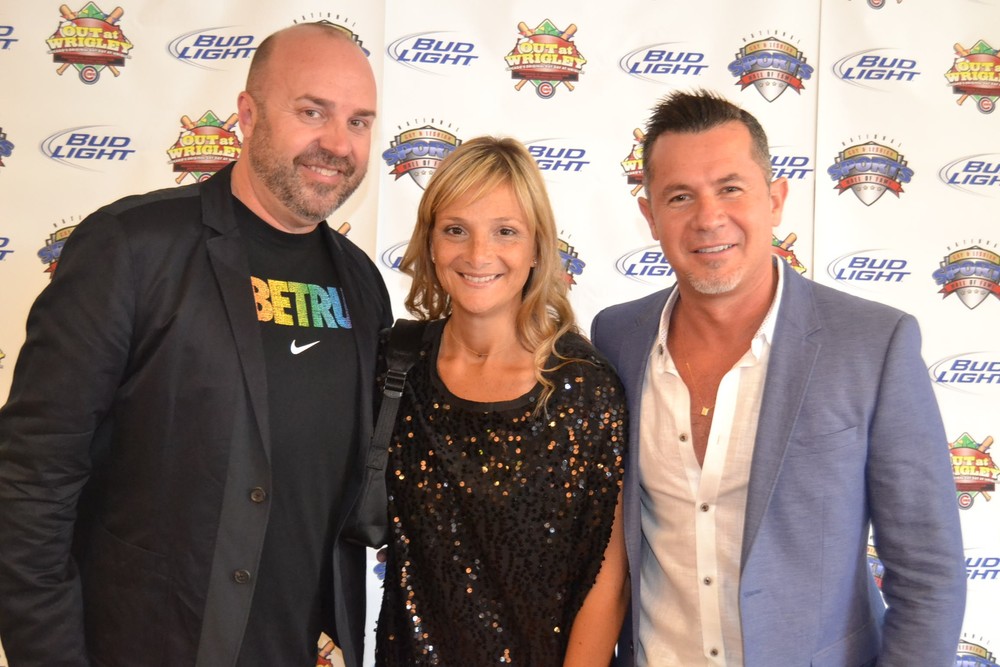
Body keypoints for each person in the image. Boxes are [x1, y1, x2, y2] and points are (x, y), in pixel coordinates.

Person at [0, 22, 391, 667]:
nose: (337, 143)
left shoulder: (362, 284)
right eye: (311, 111)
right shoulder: (131, 248)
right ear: (247, 115)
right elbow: (30, 483)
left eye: (358, 121)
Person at [591, 90, 966, 666]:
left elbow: (928, 573)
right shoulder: (617, 338)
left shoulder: (873, 344)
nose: (708, 217)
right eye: (680, 196)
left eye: (730, 189)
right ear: (651, 217)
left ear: (775, 199)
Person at [374, 136, 629, 666]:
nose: (477, 254)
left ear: (537, 248)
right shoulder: (395, 366)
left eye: (505, 231)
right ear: (430, 242)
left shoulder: (585, 388)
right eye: (455, 230)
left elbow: (607, 578)